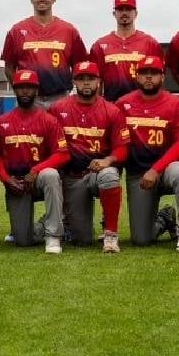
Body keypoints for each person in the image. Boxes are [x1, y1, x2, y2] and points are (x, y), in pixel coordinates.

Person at [114, 56, 179, 250]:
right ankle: (165, 218)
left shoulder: (176, 104)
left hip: (167, 169)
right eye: (144, 73)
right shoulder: (122, 104)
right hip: (138, 174)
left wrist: (156, 169)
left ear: (162, 77)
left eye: (153, 73)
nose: (149, 78)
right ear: (137, 77)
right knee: (141, 240)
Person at [48, 61, 130, 252]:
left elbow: (123, 149)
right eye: (81, 79)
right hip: (72, 176)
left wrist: (107, 161)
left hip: (97, 173)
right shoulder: (58, 109)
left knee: (110, 174)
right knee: (81, 239)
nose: (86, 83)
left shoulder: (112, 110)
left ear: (99, 82)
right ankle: (63, 221)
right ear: (74, 82)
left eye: (91, 79)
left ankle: (110, 234)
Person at [0, 69, 70, 254]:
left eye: (30, 87)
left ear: (36, 90)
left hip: (39, 178)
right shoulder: (3, 121)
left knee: (51, 175)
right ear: (14, 89)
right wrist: (6, 179)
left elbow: (63, 154)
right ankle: (43, 224)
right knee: (23, 241)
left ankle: (53, 236)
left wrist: (37, 169)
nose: (25, 92)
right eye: (21, 87)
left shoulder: (49, 120)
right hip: (17, 183)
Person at [2, 0, 88, 107]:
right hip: (29, 99)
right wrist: (20, 89)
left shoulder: (69, 30)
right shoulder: (17, 30)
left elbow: (80, 65)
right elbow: (9, 67)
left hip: (60, 98)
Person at [88, 0, 164, 102]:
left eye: (128, 9)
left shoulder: (150, 43)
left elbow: (159, 78)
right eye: (120, 10)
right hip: (112, 104)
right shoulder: (100, 45)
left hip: (142, 106)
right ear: (114, 13)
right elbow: (96, 81)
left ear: (136, 13)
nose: (124, 13)